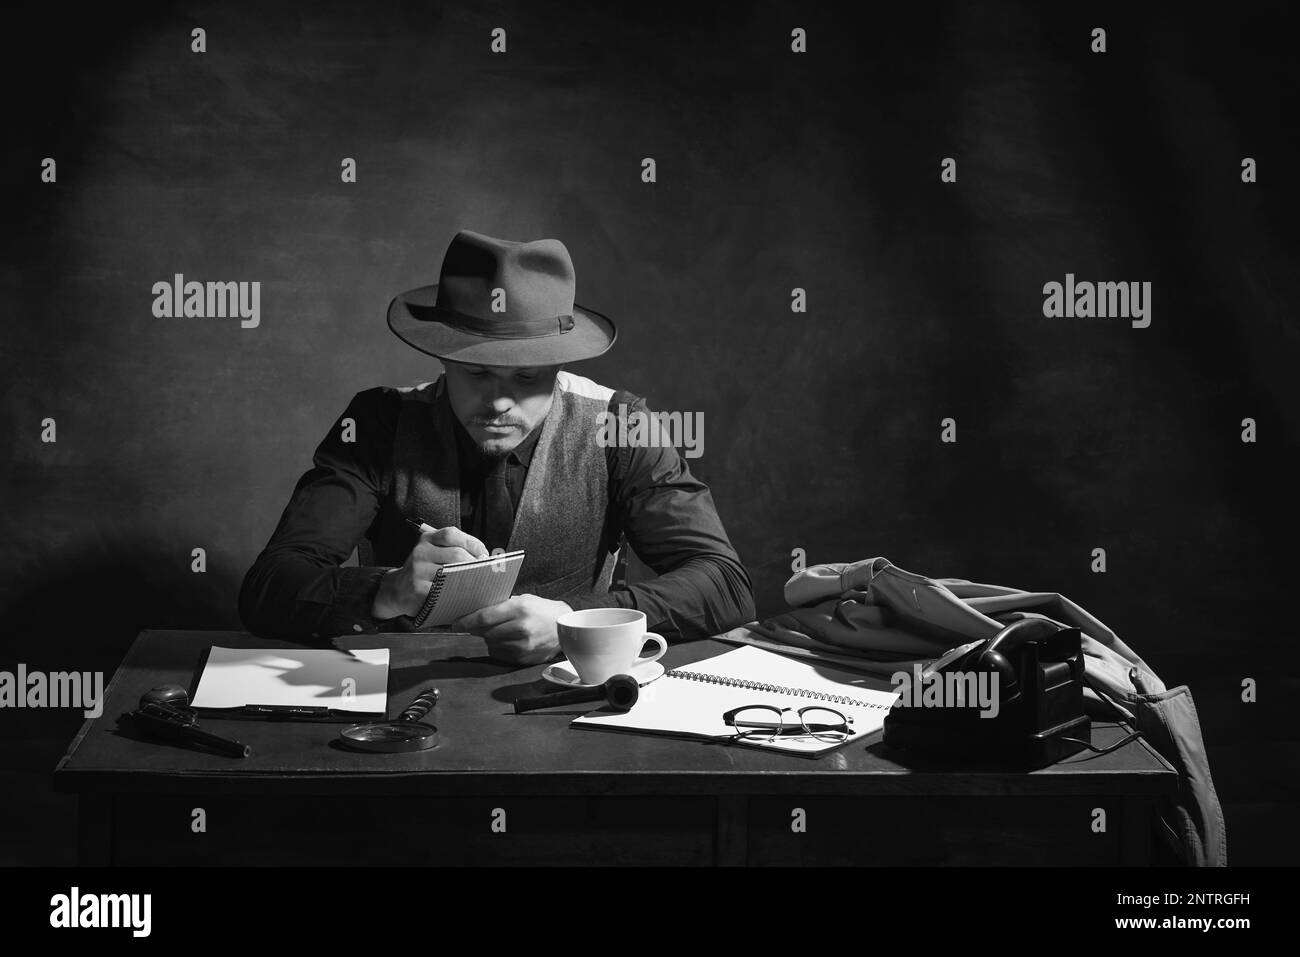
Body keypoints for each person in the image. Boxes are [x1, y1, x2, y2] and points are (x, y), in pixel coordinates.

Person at [238, 229, 755, 664]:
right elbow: (268, 588)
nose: (500, 401)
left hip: (567, 700)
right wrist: (386, 589)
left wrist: (576, 623)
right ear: (443, 358)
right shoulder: (378, 422)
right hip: (394, 699)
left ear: (559, 366)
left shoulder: (621, 424)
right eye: (477, 372)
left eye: (527, 377)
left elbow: (725, 585)